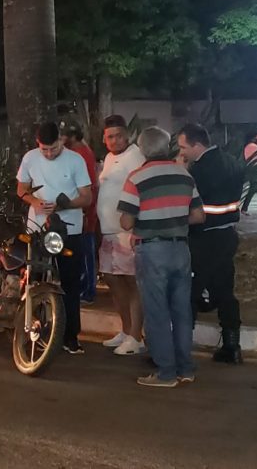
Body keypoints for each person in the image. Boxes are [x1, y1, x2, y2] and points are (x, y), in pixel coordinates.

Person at [118, 126, 205, 388]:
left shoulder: (136, 178)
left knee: (157, 312)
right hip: (181, 249)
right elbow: (199, 216)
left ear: (142, 149)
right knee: (181, 311)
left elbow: (126, 222)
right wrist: (173, 219)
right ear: (167, 147)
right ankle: (185, 368)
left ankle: (166, 372)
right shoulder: (184, 175)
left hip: (152, 250)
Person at [17, 122, 92, 354]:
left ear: (61, 140)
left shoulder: (76, 160)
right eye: (44, 149)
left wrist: (64, 205)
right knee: (33, 279)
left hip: (69, 230)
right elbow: (21, 189)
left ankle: (70, 336)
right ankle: (29, 329)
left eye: (53, 148)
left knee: (70, 282)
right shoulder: (30, 158)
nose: (49, 154)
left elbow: (87, 197)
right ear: (37, 144)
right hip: (37, 228)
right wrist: (35, 202)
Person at [178, 124, 245, 364]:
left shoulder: (198, 170)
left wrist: (183, 171)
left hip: (203, 236)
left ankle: (181, 348)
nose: (182, 152)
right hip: (227, 234)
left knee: (190, 291)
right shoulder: (232, 162)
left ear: (197, 145)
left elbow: (189, 202)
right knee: (225, 290)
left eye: (183, 147)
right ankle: (232, 345)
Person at [96, 115, 146, 355]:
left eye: (118, 136)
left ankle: (136, 336)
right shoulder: (108, 158)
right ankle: (125, 330)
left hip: (127, 232)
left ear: (127, 135)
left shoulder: (135, 156)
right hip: (108, 232)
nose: (114, 141)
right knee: (112, 280)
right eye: (110, 137)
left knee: (131, 282)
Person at [61, 120, 98, 304]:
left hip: (84, 210)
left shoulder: (80, 155)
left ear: (73, 136)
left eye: (64, 136)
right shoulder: (82, 152)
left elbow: (88, 185)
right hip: (82, 209)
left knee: (85, 253)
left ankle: (88, 290)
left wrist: (83, 210)